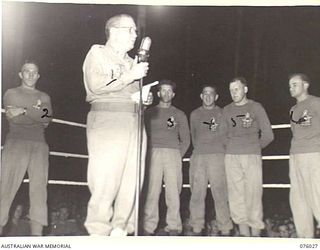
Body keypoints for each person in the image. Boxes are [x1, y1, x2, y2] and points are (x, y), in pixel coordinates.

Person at [82, 14, 151, 236]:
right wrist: (130, 76)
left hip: (134, 121)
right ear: (113, 31)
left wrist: (144, 97)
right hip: (108, 120)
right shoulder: (98, 53)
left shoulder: (133, 62)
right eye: (129, 30)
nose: (135, 34)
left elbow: (130, 92)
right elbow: (96, 84)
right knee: (106, 177)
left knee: (132, 179)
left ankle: (122, 228)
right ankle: (98, 230)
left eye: (134, 30)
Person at [0, 61, 52, 236]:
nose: (30, 74)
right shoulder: (11, 93)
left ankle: (36, 236)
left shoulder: (44, 96)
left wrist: (23, 110)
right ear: (21, 74)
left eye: (34, 72)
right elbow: (12, 117)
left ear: (38, 76)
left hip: (39, 145)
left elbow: (46, 119)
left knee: (39, 190)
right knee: (5, 187)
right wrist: (34, 112)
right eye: (27, 71)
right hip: (15, 143)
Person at [222, 77, 274, 237]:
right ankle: (245, 236)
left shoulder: (256, 107)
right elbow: (222, 135)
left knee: (254, 194)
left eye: (236, 89)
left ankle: (256, 234)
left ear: (245, 89)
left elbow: (268, 135)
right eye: (231, 90)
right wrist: (231, 147)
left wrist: (254, 148)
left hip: (251, 156)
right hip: (231, 157)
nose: (233, 93)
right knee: (236, 195)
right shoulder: (226, 110)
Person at [142, 79, 190, 236]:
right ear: (158, 93)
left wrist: (177, 155)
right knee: (151, 192)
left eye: (169, 91)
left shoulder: (179, 114)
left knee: (173, 192)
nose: (166, 93)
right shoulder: (149, 113)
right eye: (163, 90)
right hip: (153, 153)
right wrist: (147, 154)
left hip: (173, 154)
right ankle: (149, 227)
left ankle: (174, 227)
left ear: (173, 94)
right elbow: (142, 135)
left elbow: (186, 139)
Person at [187, 85, 232, 236]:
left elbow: (226, 135)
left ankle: (225, 228)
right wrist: (200, 150)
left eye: (211, 94)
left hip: (217, 156)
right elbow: (194, 136)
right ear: (201, 96)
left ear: (216, 97)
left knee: (220, 193)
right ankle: (196, 228)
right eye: (205, 93)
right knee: (197, 193)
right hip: (199, 156)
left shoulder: (222, 113)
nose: (208, 96)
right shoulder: (194, 114)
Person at [288, 73, 320, 238]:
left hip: (314, 153)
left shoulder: (316, 102)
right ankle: (305, 240)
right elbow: (295, 132)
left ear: (305, 85)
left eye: (295, 84)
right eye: (290, 85)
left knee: (317, 194)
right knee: (298, 199)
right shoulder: (293, 109)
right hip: (295, 156)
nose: (291, 88)